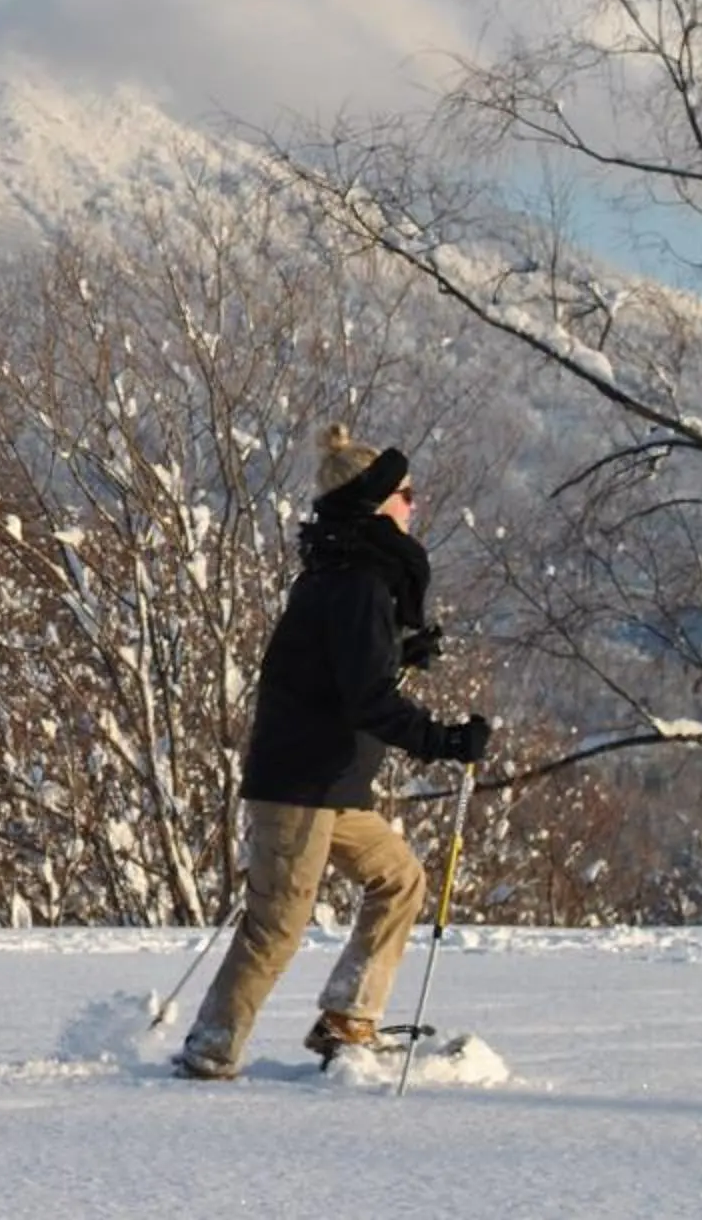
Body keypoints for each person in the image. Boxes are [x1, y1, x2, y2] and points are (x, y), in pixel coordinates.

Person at [174, 425, 492, 1079]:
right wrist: (445, 742)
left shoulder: (346, 572)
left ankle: (350, 1019)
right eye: (407, 493)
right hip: (300, 786)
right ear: (376, 503)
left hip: (330, 785)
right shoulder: (357, 584)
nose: (415, 504)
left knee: (399, 881)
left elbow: (337, 675)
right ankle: (211, 1046)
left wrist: (400, 651)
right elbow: (365, 700)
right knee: (276, 924)